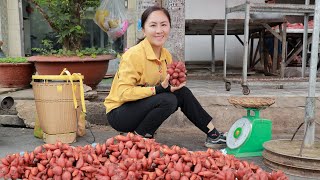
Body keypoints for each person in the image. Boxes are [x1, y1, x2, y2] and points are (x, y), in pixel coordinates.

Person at [104, 6, 226, 148]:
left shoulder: (166, 55)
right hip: (119, 113)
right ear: (143, 29)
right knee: (167, 99)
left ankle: (213, 134)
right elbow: (124, 94)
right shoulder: (133, 55)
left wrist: (175, 83)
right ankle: (139, 137)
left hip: (140, 106)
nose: (159, 31)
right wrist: (159, 89)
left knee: (182, 93)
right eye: (153, 25)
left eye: (163, 25)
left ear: (169, 27)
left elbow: (164, 88)